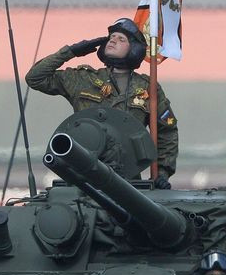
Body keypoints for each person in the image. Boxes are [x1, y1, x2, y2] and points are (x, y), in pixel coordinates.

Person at [25, 18, 178, 186]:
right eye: (111, 37)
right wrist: (71, 51)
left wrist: (162, 172)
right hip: (83, 172)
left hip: (128, 179)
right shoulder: (83, 79)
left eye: (121, 39)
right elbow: (35, 78)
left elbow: (166, 131)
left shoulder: (148, 87)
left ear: (134, 49)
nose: (113, 40)